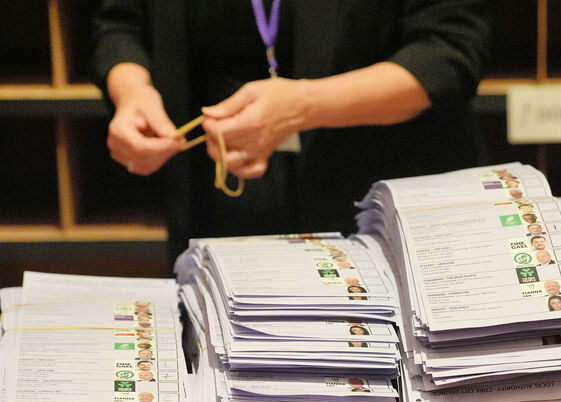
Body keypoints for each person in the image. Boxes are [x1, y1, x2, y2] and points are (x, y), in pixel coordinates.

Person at [90, 1, 491, 260]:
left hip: (374, 201)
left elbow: (449, 51)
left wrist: (304, 106)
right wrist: (132, 92)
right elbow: (120, 23)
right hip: (216, 208)